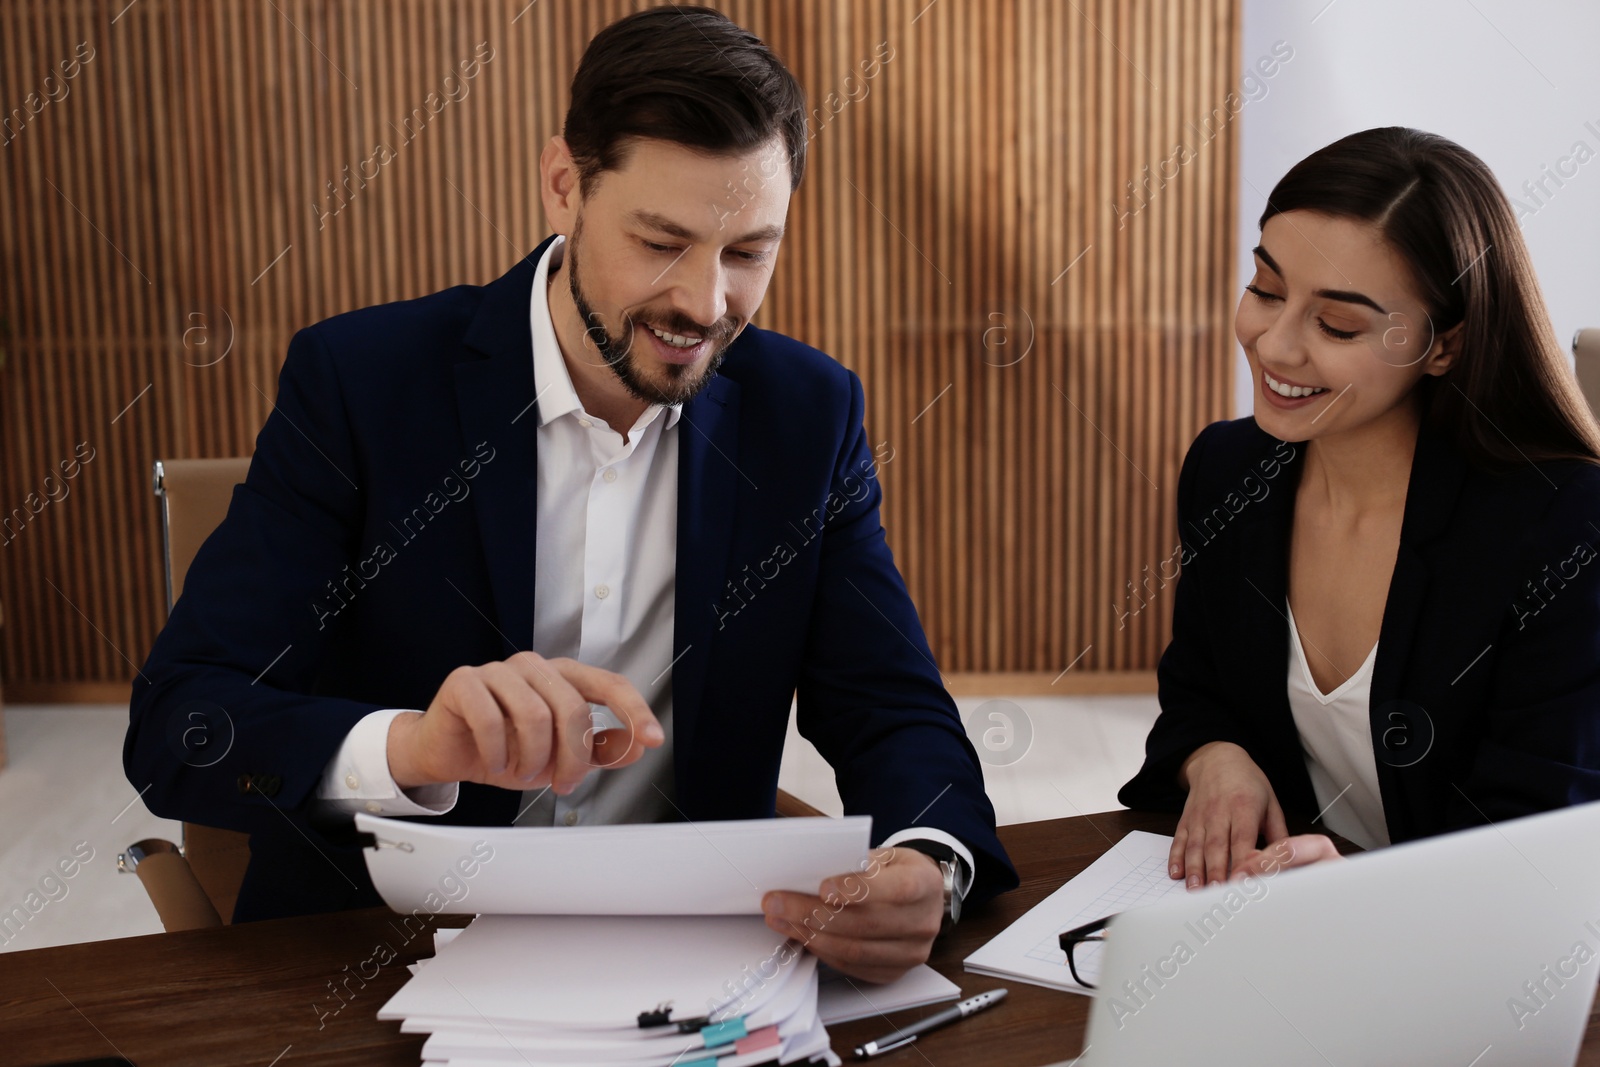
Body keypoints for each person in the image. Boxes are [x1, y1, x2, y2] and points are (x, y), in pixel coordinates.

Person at [124, 6, 1014, 983]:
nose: (705, 304)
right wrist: (414, 746)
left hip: (690, 972)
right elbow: (183, 726)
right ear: (564, 185)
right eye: (663, 241)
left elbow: (890, 706)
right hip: (377, 963)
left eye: (749, 251)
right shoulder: (359, 383)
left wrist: (933, 857)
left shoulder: (808, 416)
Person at [1119, 127, 1600, 886]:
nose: (1274, 345)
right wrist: (1217, 756)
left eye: (1336, 324)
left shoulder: (1563, 524)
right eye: (1266, 289)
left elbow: (1537, 843)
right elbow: (1198, 691)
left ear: (1443, 346)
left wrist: (1354, 888)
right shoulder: (1227, 470)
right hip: (1286, 930)